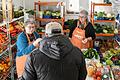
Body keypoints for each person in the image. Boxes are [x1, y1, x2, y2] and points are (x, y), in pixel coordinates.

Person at [18, 22, 87, 80]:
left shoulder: (33, 57)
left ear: (46, 34)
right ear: (62, 33)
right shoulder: (78, 53)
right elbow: (82, 76)